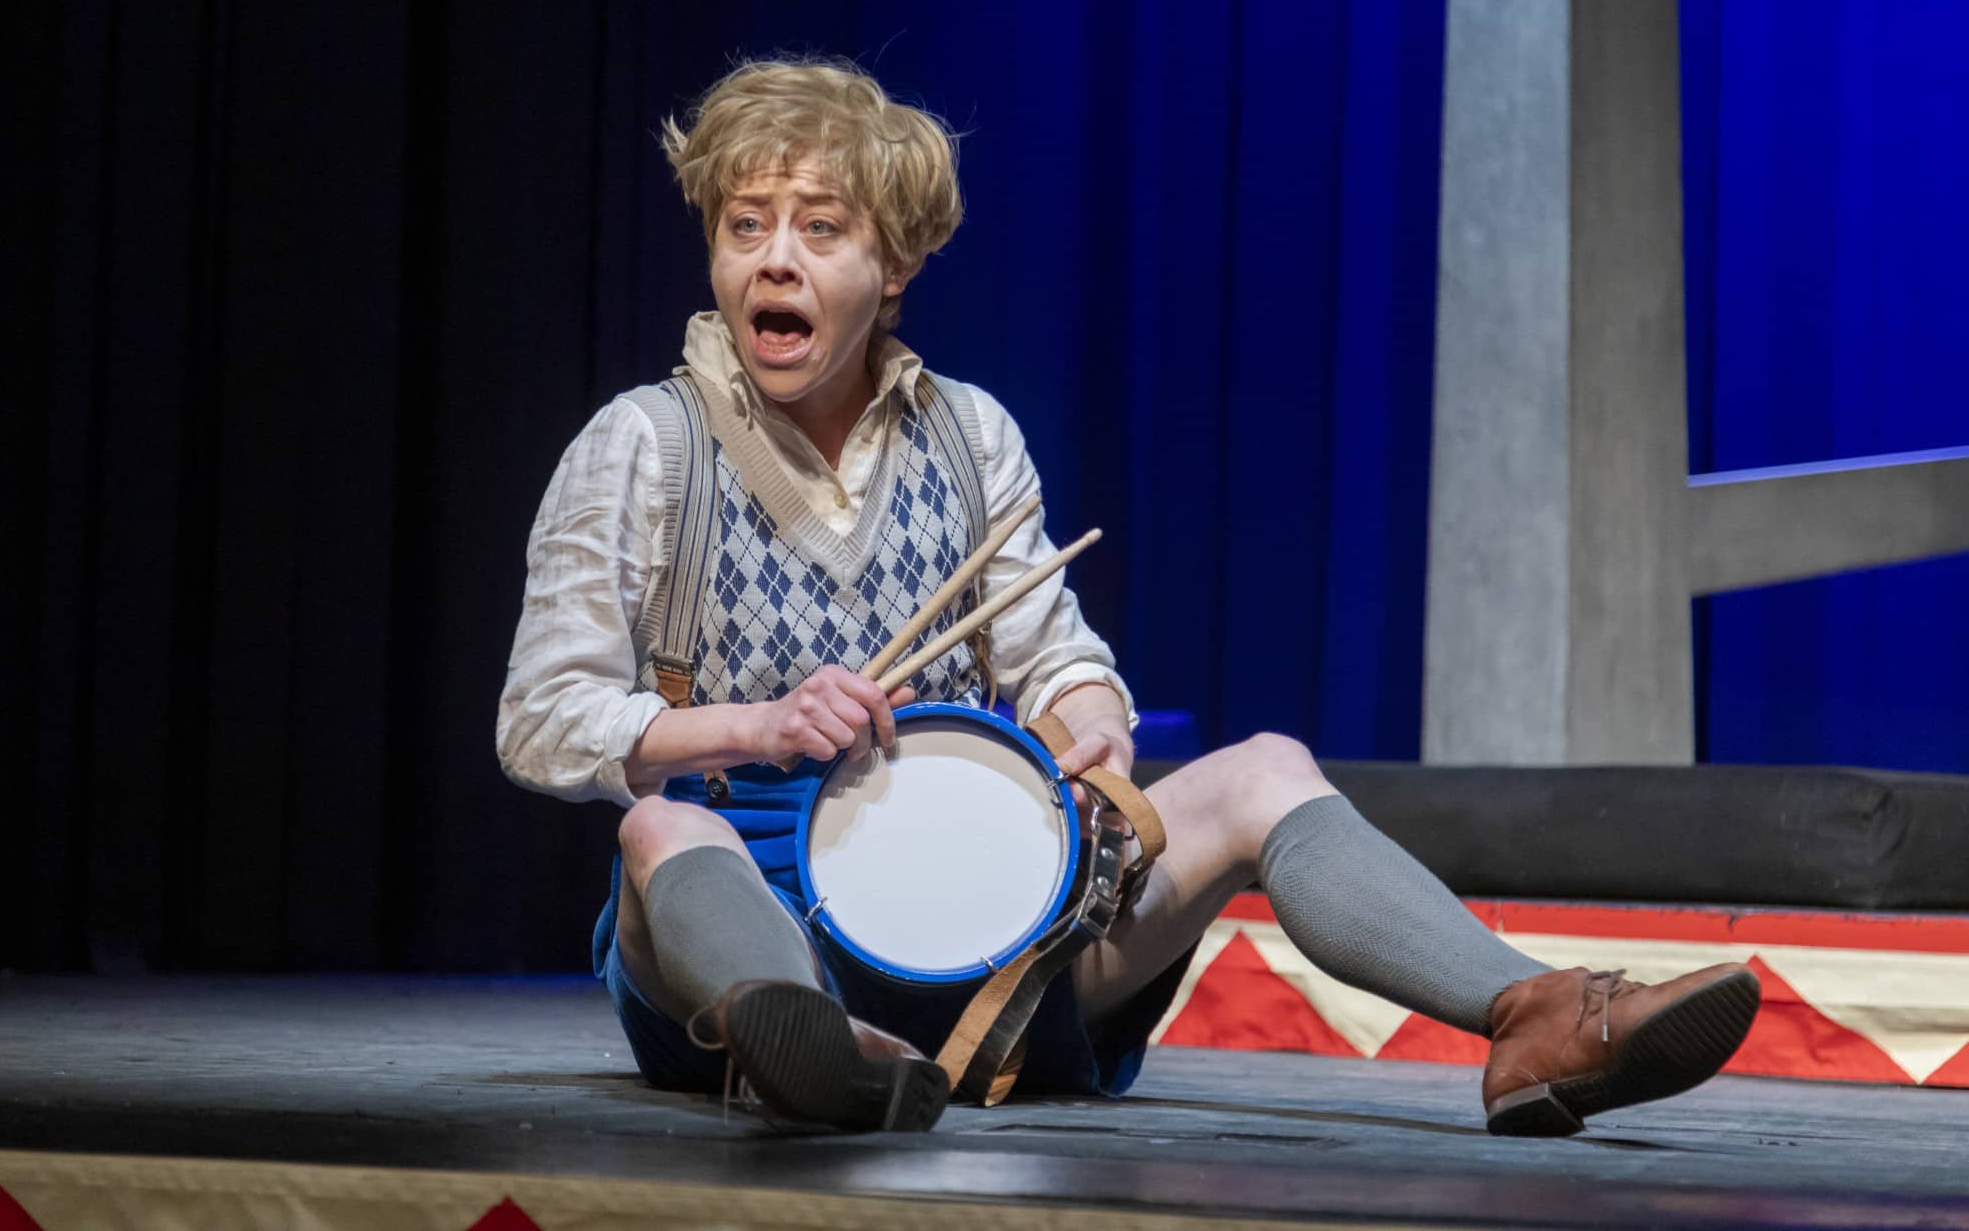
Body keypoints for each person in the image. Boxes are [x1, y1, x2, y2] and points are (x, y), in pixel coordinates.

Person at [496, 58, 1760, 1138]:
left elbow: (1054, 658)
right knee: (657, 834)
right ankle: (811, 1047)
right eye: (745, 226)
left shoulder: (968, 438)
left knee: (1264, 768)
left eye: (818, 229)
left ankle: (1534, 1014)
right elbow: (542, 718)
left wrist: (1091, 718)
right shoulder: (646, 447)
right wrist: (755, 726)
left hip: (980, 938)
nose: (773, 258)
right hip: (741, 916)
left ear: (897, 263)